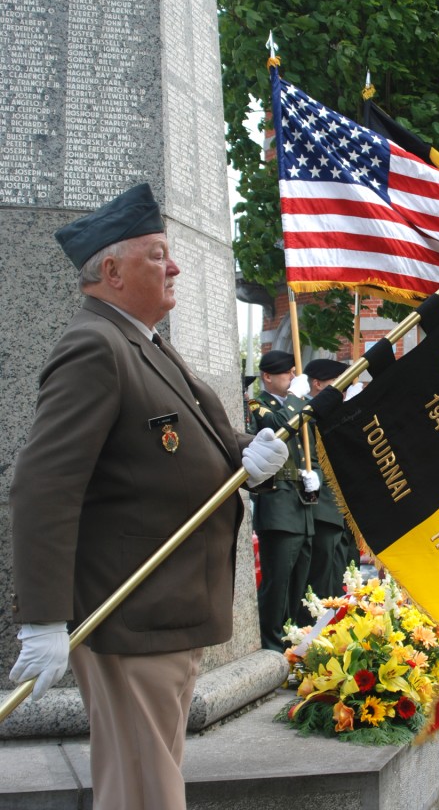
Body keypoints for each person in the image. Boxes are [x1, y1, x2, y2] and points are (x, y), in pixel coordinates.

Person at [8, 183, 288, 810]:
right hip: (128, 608)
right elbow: (43, 485)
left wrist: (249, 453)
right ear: (111, 270)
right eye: (158, 254)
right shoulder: (96, 346)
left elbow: (195, 444)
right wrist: (46, 618)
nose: (176, 266)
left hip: (162, 608)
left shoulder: (143, 341)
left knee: (142, 782)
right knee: (143, 790)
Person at [249, 350, 322, 651]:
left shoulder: (299, 406)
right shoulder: (259, 404)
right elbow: (279, 428)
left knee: (298, 586)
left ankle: (291, 644)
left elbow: (310, 450)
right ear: (268, 376)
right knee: (277, 585)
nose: (293, 378)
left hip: (302, 506)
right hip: (277, 507)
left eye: (294, 374)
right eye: (287, 373)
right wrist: (295, 397)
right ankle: (272, 645)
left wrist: (313, 475)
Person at [303, 359, 362, 601]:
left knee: (347, 579)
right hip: (324, 509)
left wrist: (356, 411)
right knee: (324, 583)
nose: (343, 392)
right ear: (317, 384)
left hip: (346, 511)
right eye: (338, 386)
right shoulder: (307, 415)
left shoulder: (337, 413)